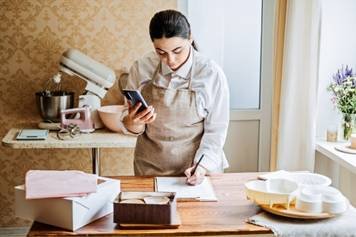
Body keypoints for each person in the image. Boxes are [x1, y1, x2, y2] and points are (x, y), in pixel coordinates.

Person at [119, 9, 229, 185]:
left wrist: (201, 166)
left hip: (196, 169)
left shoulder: (210, 73)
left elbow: (216, 131)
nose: (170, 60)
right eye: (160, 52)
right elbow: (130, 125)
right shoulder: (142, 68)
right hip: (150, 169)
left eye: (177, 50)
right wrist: (133, 123)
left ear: (190, 38)